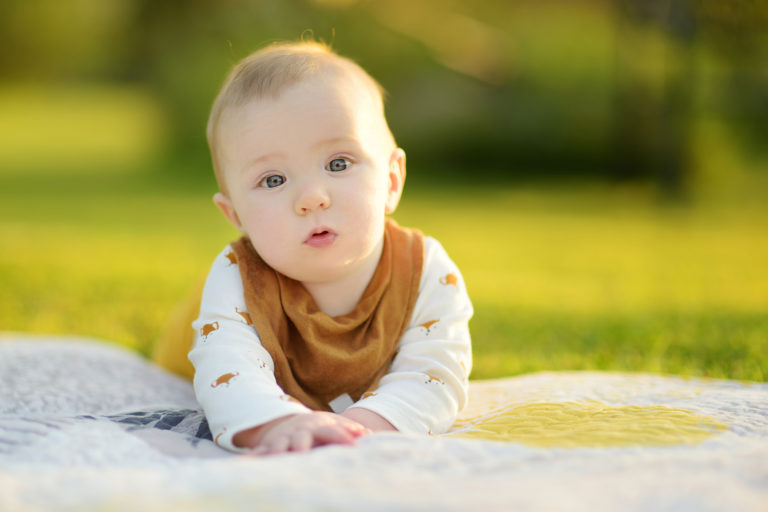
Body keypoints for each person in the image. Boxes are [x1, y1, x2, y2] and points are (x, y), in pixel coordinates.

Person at [189, 40, 473, 455]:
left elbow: (435, 371)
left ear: (391, 181)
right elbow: (227, 369)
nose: (311, 197)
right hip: (198, 329)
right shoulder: (239, 275)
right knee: (187, 348)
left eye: (338, 164)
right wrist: (277, 422)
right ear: (236, 216)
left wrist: (362, 427)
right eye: (273, 180)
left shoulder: (426, 269)